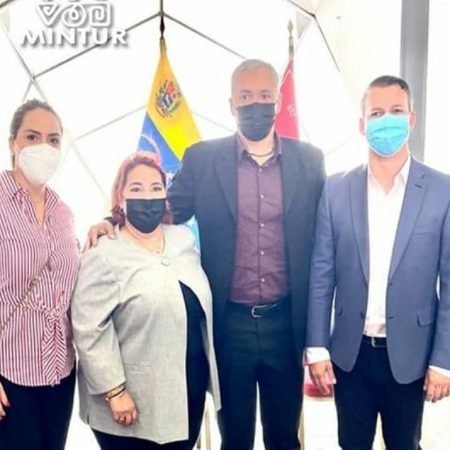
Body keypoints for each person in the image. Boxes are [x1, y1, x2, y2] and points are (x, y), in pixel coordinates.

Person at [87, 59, 325, 450]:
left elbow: (325, 234)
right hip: (230, 326)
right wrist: (110, 219)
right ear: (231, 103)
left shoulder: (310, 160)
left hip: (286, 323)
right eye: (245, 96)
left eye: (264, 95)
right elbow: (162, 209)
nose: (255, 103)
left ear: (277, 101)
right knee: (235, 437)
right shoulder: (203, 158)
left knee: (285, 436)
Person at [306, 75, 450, 450]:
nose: (387, 120)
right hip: (350, 355)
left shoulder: (442, 191)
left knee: (405, 444)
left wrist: (444, 361)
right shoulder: (336, 189)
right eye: (376, 113)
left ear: (411, 119)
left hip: (412, 355)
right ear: (362, 124)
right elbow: (321, 274)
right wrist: (317, 348)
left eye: (396, 111)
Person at [71, 151, 220, 450]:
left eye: (155, 187)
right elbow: (88, 327)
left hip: (186, 393)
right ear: (121, 196)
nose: (147, 197)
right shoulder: (103, 251)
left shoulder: (182, 240)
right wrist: (114, 390)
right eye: (136, 188)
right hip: (131, 404)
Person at [0, 99, 79, 450]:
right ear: (12, 143)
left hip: (59, 373)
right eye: (32, 137)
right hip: (8, 373)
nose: (43, 147)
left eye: (53, 140)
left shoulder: (63, 212)